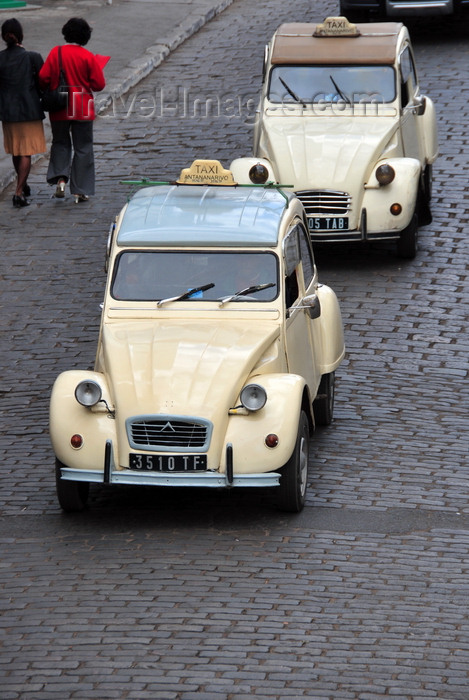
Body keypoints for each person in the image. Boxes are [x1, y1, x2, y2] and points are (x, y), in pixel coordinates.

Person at [39, 17, 106, 203]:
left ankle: (61, 179)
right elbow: (99, 84)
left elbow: (43, 77)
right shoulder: (87, 56)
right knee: (83, 148)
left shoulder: (56, 52)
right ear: (85, 36)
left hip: (59, 107)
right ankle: (80, 191)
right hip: (82, 107)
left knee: (60, 143)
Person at [0, 18, 46, 208]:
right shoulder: (32, 57)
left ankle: (23, 183)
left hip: (8, 113)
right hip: (29, 112)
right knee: (26, 152)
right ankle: (19, 192)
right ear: (21, 35)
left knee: (16, 150)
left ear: (3, 37)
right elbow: (44, 83)